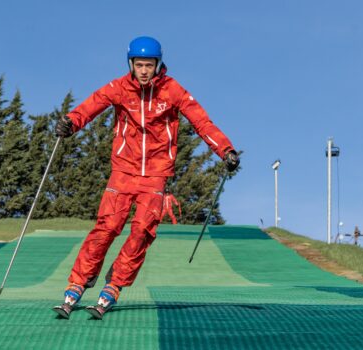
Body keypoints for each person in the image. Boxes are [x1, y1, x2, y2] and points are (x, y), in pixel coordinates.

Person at [52, 36, 240, 319]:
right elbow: (92, 106)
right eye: (138, 65)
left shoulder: (172, 91)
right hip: (123, 171)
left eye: (148, 65)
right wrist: (71, 123)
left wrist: (225, 150)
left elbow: (201, 121)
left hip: (156, 173)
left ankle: (113, 286)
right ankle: (77, 283)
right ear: (131, 64)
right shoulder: (119, 88)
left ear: (158, 65)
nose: (143, 70)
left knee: (141, 231)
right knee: (107, 228)